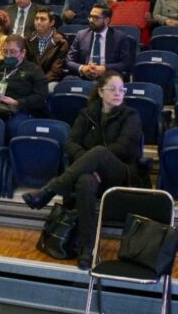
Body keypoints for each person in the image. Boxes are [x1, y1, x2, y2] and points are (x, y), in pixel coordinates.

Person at [22, 71, 145, 269]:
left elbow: (125, 148)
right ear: (101, 92)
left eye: (121, 89)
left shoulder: (131, 115)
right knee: (85, 181)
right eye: (112, 89)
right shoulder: (87, 113)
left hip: (121, 172)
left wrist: (96, 159)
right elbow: (70, 143)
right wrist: (89, 162)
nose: (118, 93)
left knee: (98, 152)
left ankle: (49, 190)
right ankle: (86, 249)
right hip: (89, 173)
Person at [0, 34, 48, 135]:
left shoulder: (34, 70)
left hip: (19, 110)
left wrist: (17, 102)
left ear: (23, 53)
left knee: (13, 126)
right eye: (5, 51)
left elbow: (41, 97)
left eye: (12, 52)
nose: (8, 55)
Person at [66, 5, 135, 79]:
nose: (91, 20)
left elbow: (126, 63)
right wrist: (82, 68)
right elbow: (69, 61)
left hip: (108, 77)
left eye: (95, 17)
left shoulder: (119, 37)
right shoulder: (81, 35)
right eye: (90, 16)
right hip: (84, 77)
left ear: (106, 20)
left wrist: (104, 68)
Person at [26, 8, 68, 91]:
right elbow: (25, 64)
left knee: (47, 90)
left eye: (43, 19)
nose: (38, 22)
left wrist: (39, 81)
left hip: (50, 80)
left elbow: (56, 71)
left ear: (52, 23)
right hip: (30, 79)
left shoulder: (61, 42)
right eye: (36, 19)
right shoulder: (27, 40)